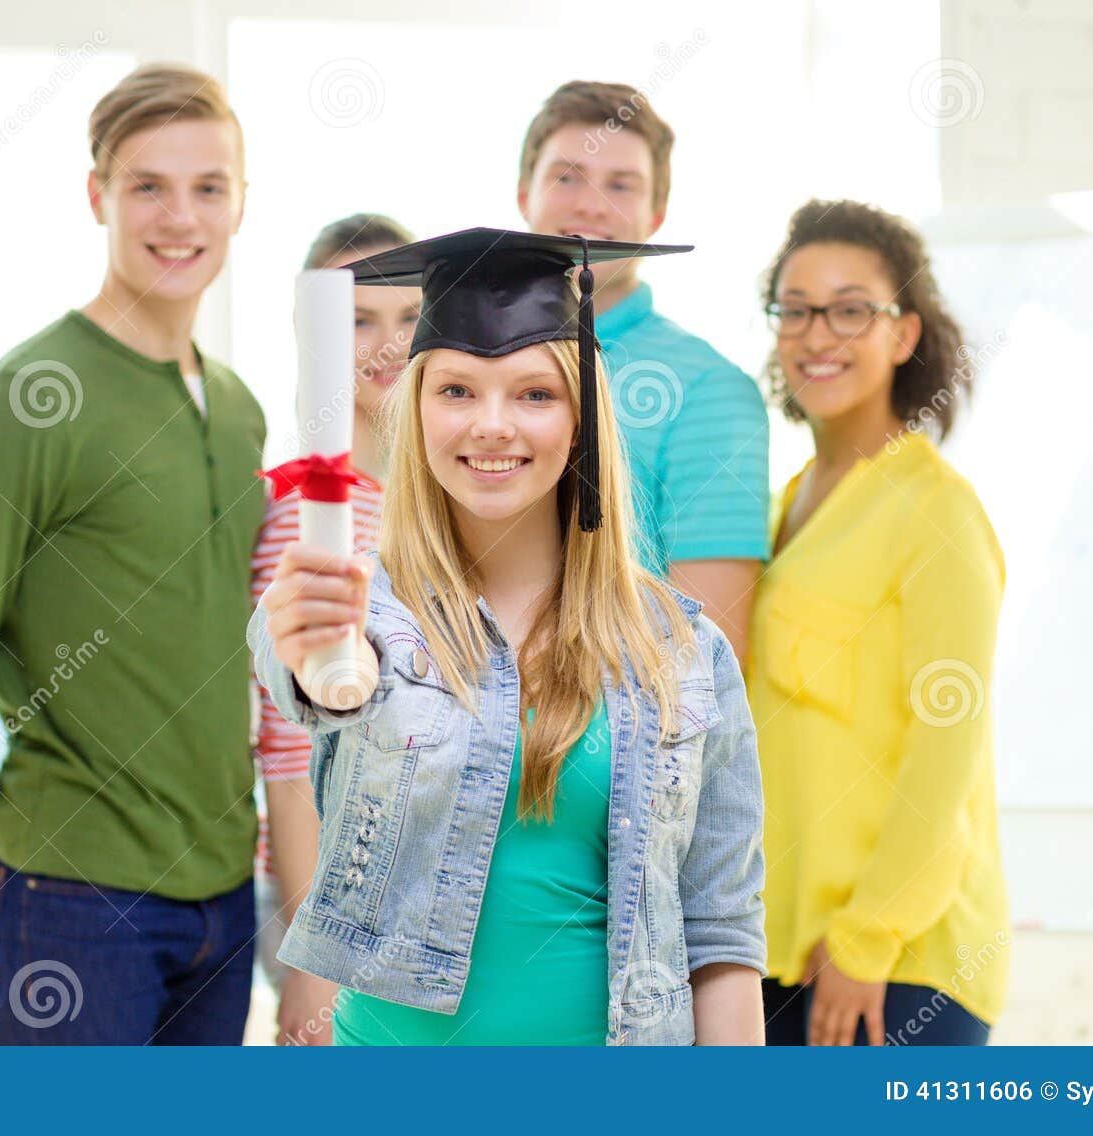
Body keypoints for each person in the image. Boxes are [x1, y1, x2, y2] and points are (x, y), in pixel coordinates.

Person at [249, 228, 766, 1046]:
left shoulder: (684, 653)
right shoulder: (365, 613)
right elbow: (314, 679)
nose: (493, 424)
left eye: (534, 394)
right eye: (456, 390)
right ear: (415, 410)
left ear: (581, 419)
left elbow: (723, 935)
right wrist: (306, 646)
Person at [0, 64, 266, 1045]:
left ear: (240, 203)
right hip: (71, 891)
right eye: (148, 184)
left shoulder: (237, 407)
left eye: (208, 187)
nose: (179, 216)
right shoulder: (21, 401)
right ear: (97, 195)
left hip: (226, 890)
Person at [747, 199, 1010, 1045]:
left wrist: (868, 939)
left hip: (893, 966)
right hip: (779, 950)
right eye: (796, 308)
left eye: (852, 308)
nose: (818, 334)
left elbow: (946, 753)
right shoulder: (785, 505)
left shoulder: (937, 514)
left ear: (903, 333)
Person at [517, 81, 769, 665]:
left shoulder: (712, 392)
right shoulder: (464, 365)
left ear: (657, 213)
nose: (589, 205)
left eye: (621, 185)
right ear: (523, 192)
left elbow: (708, 660)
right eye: (566, 176)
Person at [249, 213, 419, 1044]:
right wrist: (308, 969)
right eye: (356, 318)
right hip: (331, 909)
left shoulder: (444, 505)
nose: (386, 345)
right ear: (311, 329)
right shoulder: (308, 515)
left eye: (409, 318)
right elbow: (291, 758)